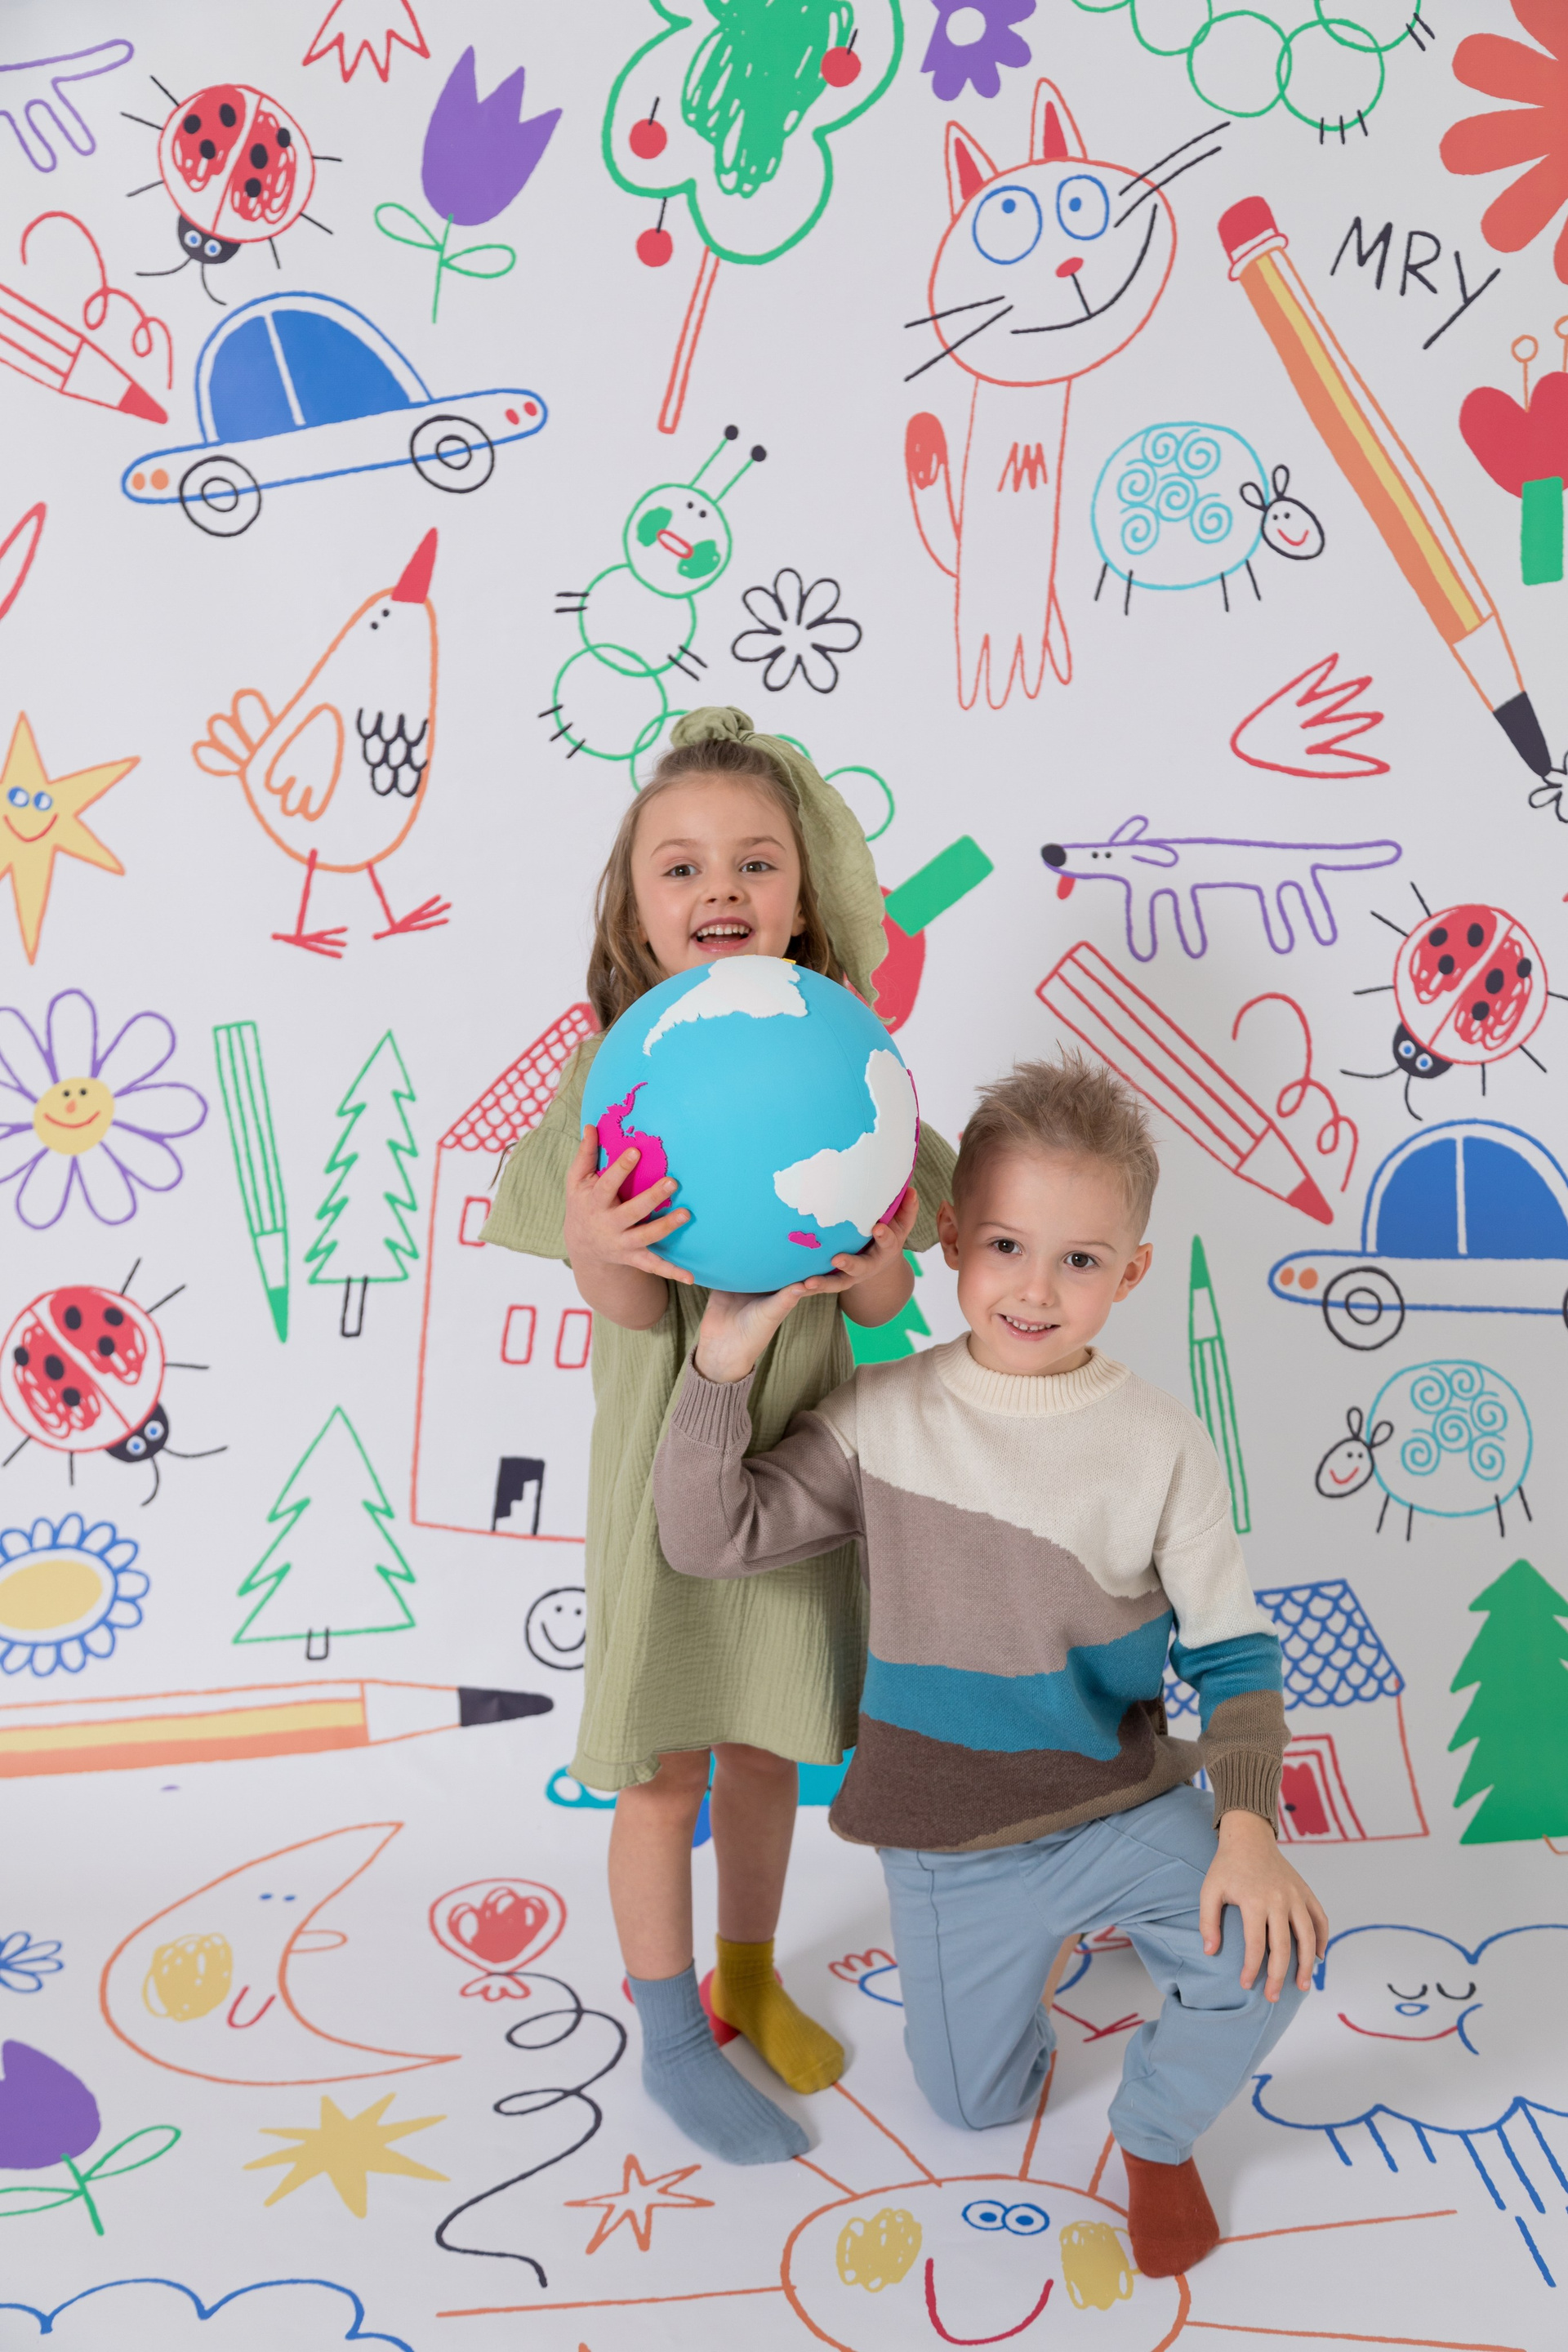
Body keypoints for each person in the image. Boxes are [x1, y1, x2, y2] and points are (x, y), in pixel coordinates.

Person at [652, 1052, 1328, 2273]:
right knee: (975, 2107)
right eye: (1007, 1246)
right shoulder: (884, 1416)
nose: (1036, 1288)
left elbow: (1235, 1655)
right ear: (953, 1240)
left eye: (1080, 1261)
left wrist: (1246, 1831)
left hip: (1116, 1805)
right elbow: (711, 1537)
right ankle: (1044, 1951)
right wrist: (724, 1362)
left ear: (1131, 1272)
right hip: (948, 1840)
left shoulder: (1162, 1442)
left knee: (1269, 1956)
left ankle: (1156, 2132)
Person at [483, 706, 956, 2166]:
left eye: (756, 861)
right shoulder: (615, 1072)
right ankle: (672, 2034)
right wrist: (593, 1237)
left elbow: (884, 1295)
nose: (721, 888)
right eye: (680, 867)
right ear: (635, 910)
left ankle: (747, 1975)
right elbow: (632, 1311)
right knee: (661, 1767)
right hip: (660, 1478)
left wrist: (874, 1258)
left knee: (768, 1746)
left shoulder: (844, 1058)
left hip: (800, 1470)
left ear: (804, 895)